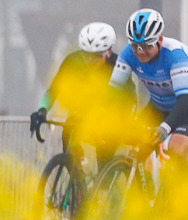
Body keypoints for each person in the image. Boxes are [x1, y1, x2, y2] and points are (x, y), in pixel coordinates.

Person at [109, 8, 188, 159]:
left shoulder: (175, 54)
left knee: (175, 148)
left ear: (159, 40)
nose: (140, 51)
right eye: (135, 46)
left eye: (147, 46)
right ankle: (140, 180)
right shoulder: (127, 54)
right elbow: (111, 93)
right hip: (160, 104)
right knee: (136, 149)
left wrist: (165, 128)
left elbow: (184, 99)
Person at [29, 22, 129, 170]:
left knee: (104, 171)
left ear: (108, 52)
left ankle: (106, 187)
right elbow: (54, 91)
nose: (90, 61)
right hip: (81, 118)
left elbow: (129, 100)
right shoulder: (73, 61)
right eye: (86, 55)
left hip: (109, 121)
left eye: (96, 56)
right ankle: (77, 181)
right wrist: (42, 110)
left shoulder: (119, 65)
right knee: (70, 137)